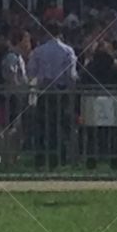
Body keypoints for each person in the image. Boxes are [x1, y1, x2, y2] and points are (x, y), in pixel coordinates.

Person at [27, 22, 78, 169]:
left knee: (42, 126)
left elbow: (31, 71)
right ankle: (58, 158)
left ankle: (40, 158)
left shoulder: (38, 51)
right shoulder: (67, 51)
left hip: (44, 91)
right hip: (60, 92)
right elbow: (71, 75)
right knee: (60, 126)